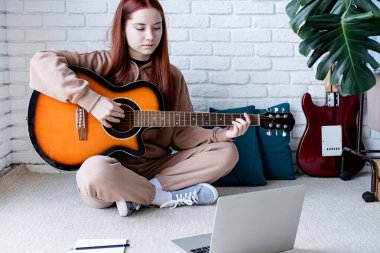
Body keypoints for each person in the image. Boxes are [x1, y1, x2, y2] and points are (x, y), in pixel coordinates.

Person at [29, 0, 250, 217]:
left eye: (157, 28)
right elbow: (42, 61)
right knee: (92, 172)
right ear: (122, 28)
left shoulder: (172, 76)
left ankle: (140, 194)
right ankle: (163, 198)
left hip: (157, 167)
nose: (150, 37)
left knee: (227, 151)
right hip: (110, 173)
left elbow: (182, 134)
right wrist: (91, 101)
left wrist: (222, 134)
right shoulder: (100, 62)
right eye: (140, 28)